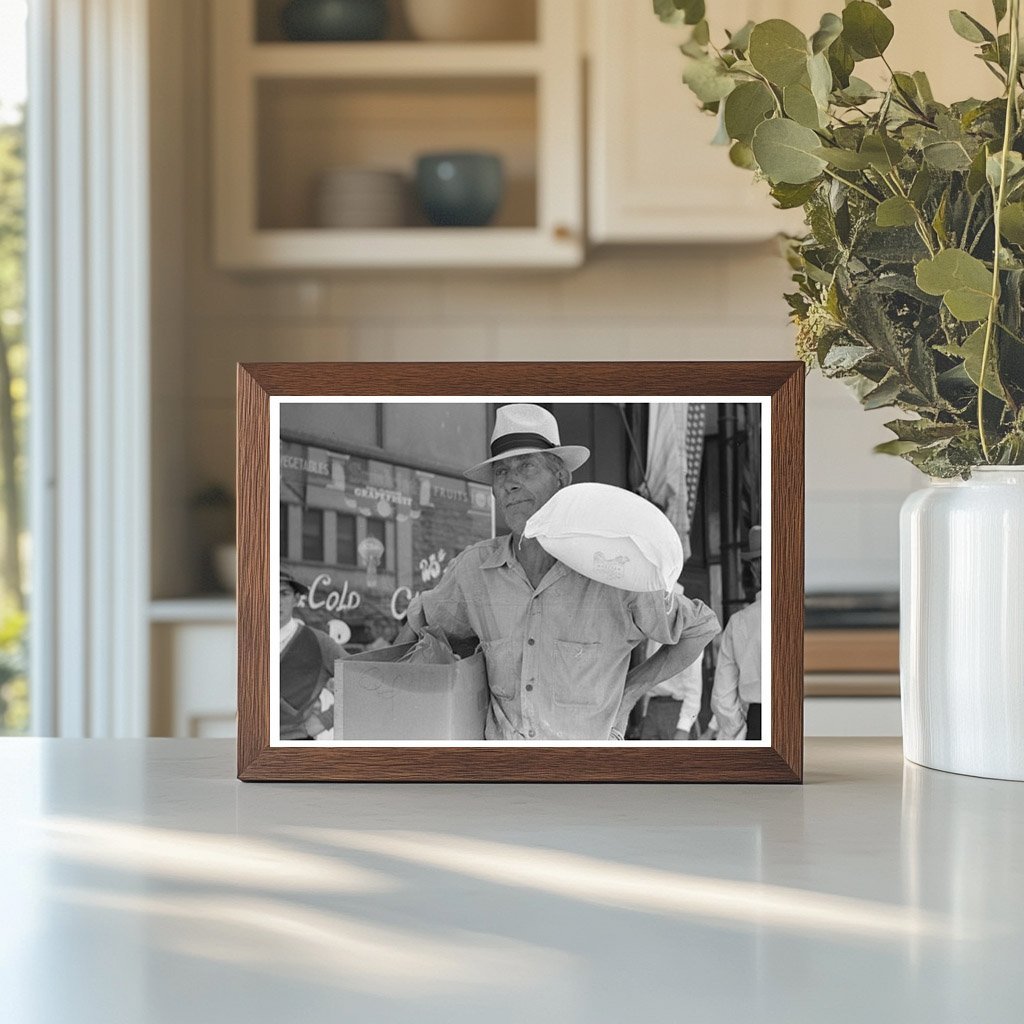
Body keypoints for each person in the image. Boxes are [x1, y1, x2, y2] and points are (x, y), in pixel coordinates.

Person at [396, 404, 720, 741]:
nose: (511, 483)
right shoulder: (476, 570)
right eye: (501, 472)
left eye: (526, 467)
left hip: (586, 778)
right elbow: (421, 620)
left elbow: (699, 629)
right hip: (503, 777)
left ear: (561, 479)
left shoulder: (612, 567)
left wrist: (628, 694)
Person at [710, 527, 763, 740]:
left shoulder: (739, 623)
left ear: (754, 569)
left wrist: (740, 731)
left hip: (759, 722)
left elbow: (723, 697)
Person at [279, 571, 344, 740]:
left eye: (283, 593)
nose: (275, 601)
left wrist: (324, 720)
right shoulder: (242, 640)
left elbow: (363, 683)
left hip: (294, 745)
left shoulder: (319, 642)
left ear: (296, 598)